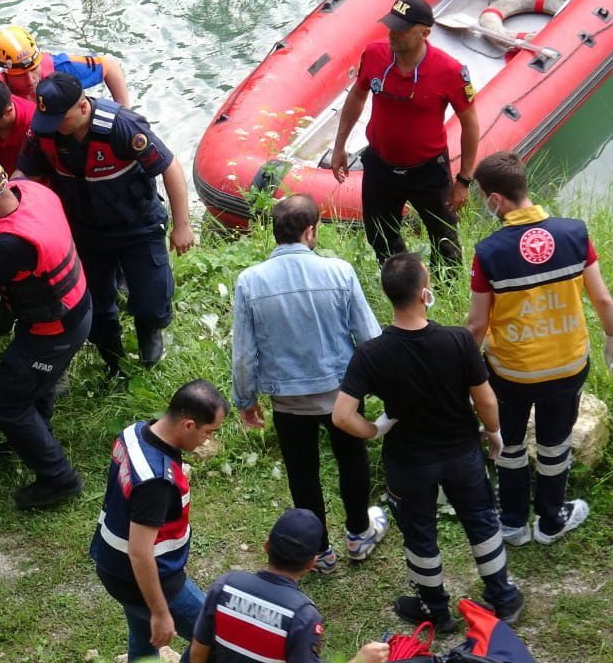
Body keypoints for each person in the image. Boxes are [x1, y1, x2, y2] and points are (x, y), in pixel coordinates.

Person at [333, 252, 523, 631]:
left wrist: (375, 429)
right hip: (462, 453)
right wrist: (495, 434)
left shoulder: (372, 353)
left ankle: (434, 608)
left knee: (419, 532)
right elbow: (485, 399)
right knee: (481, 521)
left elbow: (341, 415)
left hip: (408, 460)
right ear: (424, 293)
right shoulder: (457, 340)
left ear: (389, 295)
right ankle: (503, 597)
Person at [230, 195, 387, 574]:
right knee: (352, 461)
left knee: (303, 473)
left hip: (288, 401)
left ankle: (319, 552)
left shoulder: (249, 281)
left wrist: (245, 398)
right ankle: (358, 533)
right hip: (341, 396)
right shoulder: (339, 271)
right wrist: (386, 384)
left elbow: (243, 353)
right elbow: (369, 336)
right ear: (311, 230)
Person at [465, 151, 613, 546]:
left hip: (511, 372)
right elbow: (604, 302)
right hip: (566, 366)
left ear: (495, 199)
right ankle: (551, 521)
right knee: (555, 444)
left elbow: (478, 323)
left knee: (509, 445)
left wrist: (464, 372)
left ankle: (512, 524)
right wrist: (611, 343)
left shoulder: (489, 252)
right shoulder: (575, 233)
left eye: (483, 195)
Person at [17, 72, 194, 370]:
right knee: (96, 307)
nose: (54, 127)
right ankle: (114, 362)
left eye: (61, 119)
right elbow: (25, 176)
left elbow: (170, 166)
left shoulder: (122, 127)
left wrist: (182, 225)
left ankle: (150, 340)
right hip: (85, 231)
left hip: (138, 226)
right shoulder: (44, 133)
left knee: (152, 299)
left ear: (83, 108)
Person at [0, 154, 91, 509]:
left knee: (7, 402)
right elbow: (5, 243)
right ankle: (30, 437)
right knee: (32, 388)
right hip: (75, 307)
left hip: (53, 329)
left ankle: (59, 478)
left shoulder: (11, 244)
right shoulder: (30, 190)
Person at [330, 0, 479, 272]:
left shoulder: (450, 71)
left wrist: (464, 180)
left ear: (424, 33)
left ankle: (445, 294)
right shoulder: (375, 54)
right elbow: (357, 95)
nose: (392, 35)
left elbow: (470, 123)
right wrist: (340, 146)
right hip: (380, 165)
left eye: (401, 29)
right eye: (390, 27)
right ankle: (401, 285)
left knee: (445, 240)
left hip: (428, 172)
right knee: (379, 235)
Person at [90, 380, 227, 660]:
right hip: (147, 580)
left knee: (143, 645)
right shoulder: (156, 481)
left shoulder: (135, 432)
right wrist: (161, 612)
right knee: (215, 639)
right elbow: (140, 553)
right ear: (188, 425)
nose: (208, 441)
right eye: (208, 432)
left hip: (112, 566)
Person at [189, 509, 391, 663]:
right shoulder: (302, 617)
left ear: (266, 545)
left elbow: (197, 655)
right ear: (311, 563)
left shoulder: (225, 585)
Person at [0, 24, 129, 105]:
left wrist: (123, 113)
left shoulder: (61, 69)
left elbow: (110, 66)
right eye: (20, 75)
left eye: (33, 69)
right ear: (4, 72)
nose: (30, 79)